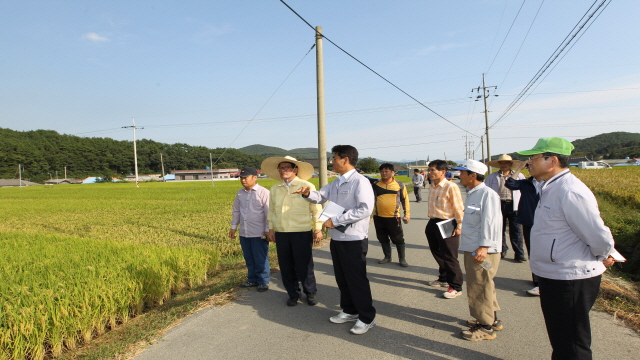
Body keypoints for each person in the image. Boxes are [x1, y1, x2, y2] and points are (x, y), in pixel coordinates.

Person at [517, 137, 616, 359]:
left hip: (570, 276)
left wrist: (602, 254)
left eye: (533, 158)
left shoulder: (570, 190)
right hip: (554, 273)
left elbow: (596, 233)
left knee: (572, 342)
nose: (529, 162)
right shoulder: (549, 186)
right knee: (561, 337)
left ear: (551, 161)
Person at [294, 145, 377, 335]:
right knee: (342, 278)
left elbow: (365, 209)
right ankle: (349, 310)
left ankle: (367, 317)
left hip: (354, 238)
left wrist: (336, 220)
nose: (332, 161)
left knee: (356, 279)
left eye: (334, 157)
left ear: (345, 159)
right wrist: (307, 194)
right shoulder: (337, 182)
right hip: (338, 238)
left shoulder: (360, 182)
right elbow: (320, 196)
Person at [261, 156, 323, 307]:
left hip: (301, 231)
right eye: (281, 168)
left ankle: (310, 292)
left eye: (287, 167)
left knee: (304, 265)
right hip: (281, 232)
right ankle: (293, 293)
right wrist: (270, 228)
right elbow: (272, 211)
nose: (284, 170)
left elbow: (316, 208)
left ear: (295, 169)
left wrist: (318, 228)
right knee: (286, 265)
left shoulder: (306, 186)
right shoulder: (275, 188)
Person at [452, 160, 503, 341]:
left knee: (479, 286)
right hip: (475, 247)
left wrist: (483, 247)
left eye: (462, 173)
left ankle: (485, 326)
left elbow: (491, 222)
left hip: (481, 250)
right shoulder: (473, 193)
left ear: (473, 175)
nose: (460, 176)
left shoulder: (487, 194)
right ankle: (492, 319)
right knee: (485, 284)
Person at [424, 160, 465, 299]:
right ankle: (443, 278)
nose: (430, 173)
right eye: (429, 170)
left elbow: (458, 207)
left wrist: (459, 225)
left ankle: (456, 286)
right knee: (437, 252)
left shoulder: (450, 186)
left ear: (443, 172)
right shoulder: (432, 186)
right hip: (433, 222)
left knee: (449, 256)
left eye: (433, 170)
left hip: (447, 222)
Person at [229, 167, 271, 293]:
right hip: (245, 231)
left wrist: (268, 229)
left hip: (259, 232)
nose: (243, 180)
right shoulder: (240, 193)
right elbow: (236, 210)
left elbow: (268, 212)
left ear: (254, 177)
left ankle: (263, 281)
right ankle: (252, 279)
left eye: (245, 177)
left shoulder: (264, 192)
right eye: (241, 178)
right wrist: (233, 227)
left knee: (260, 257)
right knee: (249, 257)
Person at [504, 160, 541, 296]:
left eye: (533, 166)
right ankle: (537, 283)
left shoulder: (549, 183)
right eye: (529, 167)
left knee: (546, 253)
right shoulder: (527, 183)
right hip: (529, 222)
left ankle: (547, 281)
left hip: (546, 224)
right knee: (533, 253)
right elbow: (510, 183)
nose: (531, 169)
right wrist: (519, 168)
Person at [485, 154, 527, 261]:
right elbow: (486, 192)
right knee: (499, 229)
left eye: (506, 163)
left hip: (514, 205)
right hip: (498, 205)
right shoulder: (492, 177)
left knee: (516, 230)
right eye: (501, 163)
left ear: (510, 164)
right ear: (499, 164)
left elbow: (525, 191)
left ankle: (519, 253)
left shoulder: (519, 176)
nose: (504, 165)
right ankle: (502, 250)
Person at [372, 163, 410, 267]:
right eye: (382, 171)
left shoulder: (400, 185)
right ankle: (387, 257)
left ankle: (402, 259)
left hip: (394, 217)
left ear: (392, 172)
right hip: (378, 217)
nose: (383, 173)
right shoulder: (375, 185)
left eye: (386, 171)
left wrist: (407, 214)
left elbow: (405, 200)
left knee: (398, 238)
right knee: (382, 238)